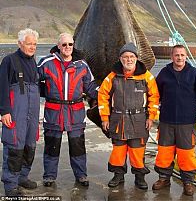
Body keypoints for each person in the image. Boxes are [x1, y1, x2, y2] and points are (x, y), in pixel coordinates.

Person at [38, 33, 98, 187]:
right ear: (58, 46)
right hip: (54, 111)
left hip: (75, 111)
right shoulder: (46, 62)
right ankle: (49, 176)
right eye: (64, 44)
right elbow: (33, 81)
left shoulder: (82, 65)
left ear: (73, 46)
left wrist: (109, 95)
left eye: (70, 44)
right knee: (52, 146)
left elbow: (91, 87)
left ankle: (81, 175)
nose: (67, 48)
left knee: (77, 146)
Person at [98, 42, 159, 189]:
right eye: (125, 57)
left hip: (139, 120)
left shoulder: (147, 76)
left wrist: (151, 117)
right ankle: (118, 175)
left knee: (137, 151)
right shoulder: (111, 77)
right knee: (118, 151)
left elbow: (154, 97)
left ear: (137, 58)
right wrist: (105, 118)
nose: (129, 60)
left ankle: (140, 177)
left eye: (132, 56)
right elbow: (102, 96)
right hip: (118, 119)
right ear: (120, 59)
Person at [152, 44, 196, 196]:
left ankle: (188, 182)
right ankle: (164, 178)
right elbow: (155, 94)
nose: (179, 58)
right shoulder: (164, 73)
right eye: (176, 55)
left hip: (187, 122)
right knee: (164, 153)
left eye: (182, 55)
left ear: (186, 56)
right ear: (172, 56)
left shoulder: (194, 73)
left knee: (186, 155)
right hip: (166, 121)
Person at [0, 28, 40, 196]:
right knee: (14, 146)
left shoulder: (33, 62)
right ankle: (10, 184)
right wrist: (4, 111)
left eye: (35, 44)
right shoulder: (9, 61)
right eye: (29, 43)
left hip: (32, 113)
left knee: (30, 145)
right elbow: (2, 87)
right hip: (16, 112)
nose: (32, 47)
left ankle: (23, 176)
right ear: (20, 43)